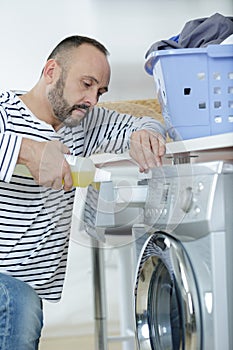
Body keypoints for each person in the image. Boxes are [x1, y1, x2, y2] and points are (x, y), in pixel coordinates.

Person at [0, 35, 166, 349]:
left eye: (100, 91)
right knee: (19, 301)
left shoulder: (85, 124)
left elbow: (144, 121)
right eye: (86, 84)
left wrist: (147, 133)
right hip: (10, 291)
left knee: (23, 303)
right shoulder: (5, 114)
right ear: (51, 72)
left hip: (26, 292)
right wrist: (27, 152)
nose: (92, 100)